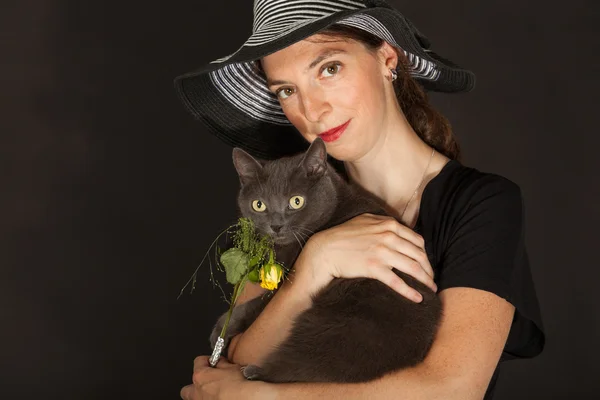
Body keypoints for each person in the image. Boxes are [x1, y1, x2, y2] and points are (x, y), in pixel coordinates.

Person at [174, 1, 545, 399]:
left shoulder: (481, 205)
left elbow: (453, 388)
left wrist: (263, 396)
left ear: (388, 57)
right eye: (287, 90)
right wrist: (316, 263)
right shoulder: (285, 204)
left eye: (329, 69)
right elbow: (238, 354)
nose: (313, 110)